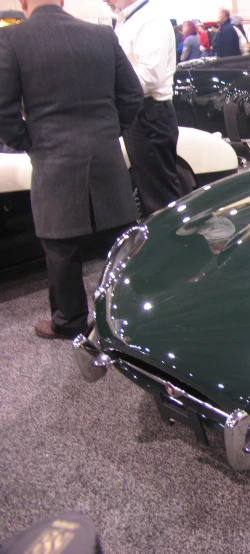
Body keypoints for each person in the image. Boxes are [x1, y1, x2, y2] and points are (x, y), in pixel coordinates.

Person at [0, 0, 141, 339]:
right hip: (106, 156)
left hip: (52, 157)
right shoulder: (101, 35)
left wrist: (32, 142)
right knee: (119, 241)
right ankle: (129, 316)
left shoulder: (12, 40)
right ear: (63, 1)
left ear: (22, 3)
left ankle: (70, 321)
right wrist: (109, 132)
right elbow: (132, 94)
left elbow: (3, 111)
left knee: (60, 247)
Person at [105, 0, 183, 219]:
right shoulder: (129, 20)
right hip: (140, 113)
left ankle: (171, 249)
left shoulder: (150, 19)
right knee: (150, 190)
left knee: (160, 196)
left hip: (150, 113)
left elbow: (150, 77)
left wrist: (107, 84)